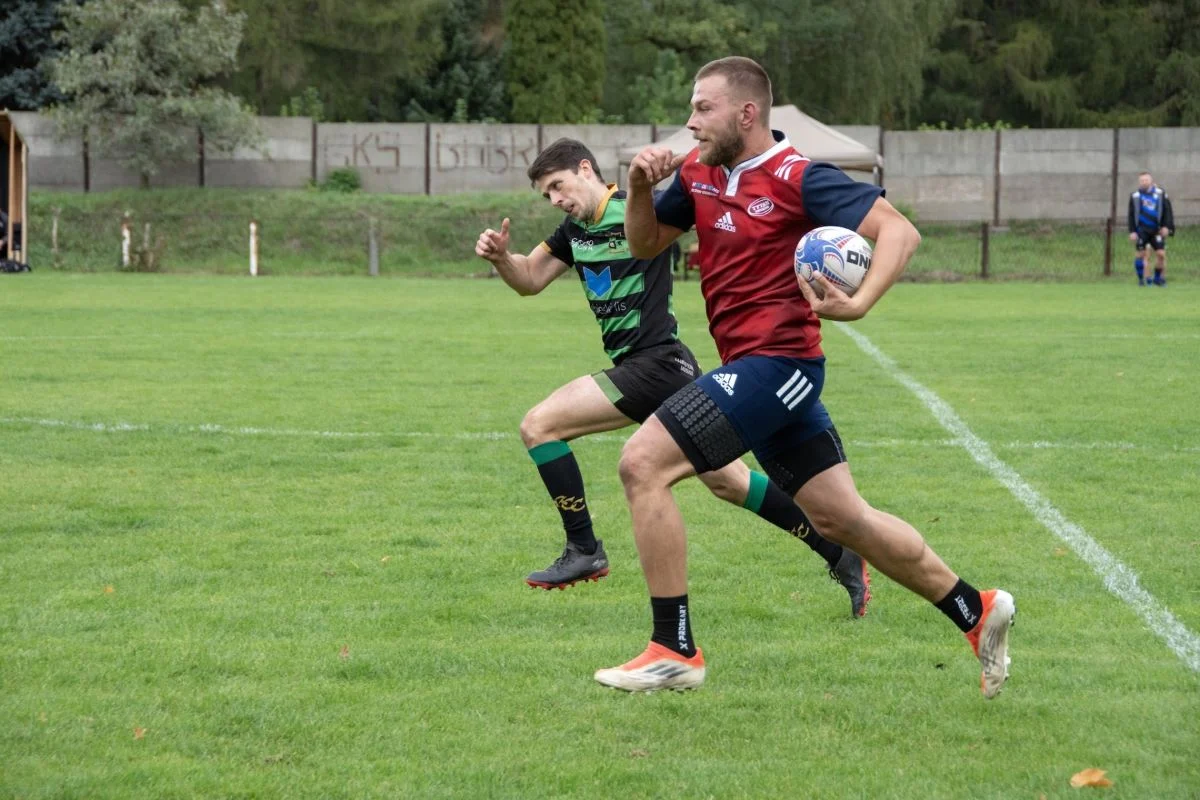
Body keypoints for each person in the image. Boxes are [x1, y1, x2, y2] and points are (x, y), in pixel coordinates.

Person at [595, 56, 1015, 697]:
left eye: (703, 108)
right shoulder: (700, 174)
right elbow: (646, 245)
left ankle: (672, 647)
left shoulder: (800, 178)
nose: (690, 121)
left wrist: (860, 300)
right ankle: (975, 610)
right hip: (755, 370)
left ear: (746, 113)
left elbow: (898, 233)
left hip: (779, 366)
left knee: (641, 463)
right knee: (844, 520)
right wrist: (642, 188)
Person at [473, 137, 871, 617]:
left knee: (540, 425)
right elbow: (530, 279)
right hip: (658, 369)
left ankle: (583, 549)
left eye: (558, 186)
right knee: (731, 483)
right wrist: (501, 259)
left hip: (656, 363)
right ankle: (838, 552)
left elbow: (695, 211)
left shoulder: (640, 212)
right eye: (546, 195)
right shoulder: (572, 232)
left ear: (585, 168)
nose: (555, 199)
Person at [1128, 171, 1175, 286]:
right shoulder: (1135, 196)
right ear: (1139, 182)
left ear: (1151, 180)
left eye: (1146, 180)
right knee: (1140, 254)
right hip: (1142, 230)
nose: (1144, 182)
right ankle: (1141, 280)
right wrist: (1132, 231)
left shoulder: (1160, 193)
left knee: (1161, 254)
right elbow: (1131, 214)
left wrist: (1167, 227)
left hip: (1156, 230)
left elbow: (1167, 211)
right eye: (1142, 180)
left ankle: (1157, 278)